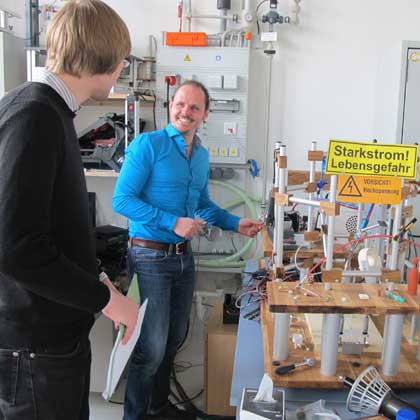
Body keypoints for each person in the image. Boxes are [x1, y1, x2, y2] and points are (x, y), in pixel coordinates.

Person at [0, 1, 139, 419]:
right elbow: (16, 245)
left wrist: (100, 283)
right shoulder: (35, 114)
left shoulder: (46, 110)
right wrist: (102, 299)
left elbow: (50, 227)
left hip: (49, 343)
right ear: (106, 62)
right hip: (35, 349)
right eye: (122, 61)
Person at [113, 80, 262, 420]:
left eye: (194, 107)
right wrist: (172, 222)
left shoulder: (201, 155)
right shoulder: (147, 145)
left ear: (205, 114)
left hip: (183, 259)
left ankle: (158, 408)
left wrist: (233, 223)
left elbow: (203, 205)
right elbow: (121, 200)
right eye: (180, 104)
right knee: (150, 349)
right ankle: (135, 415)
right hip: (149, 255)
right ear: (170, 106)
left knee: (172, 341)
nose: (185, 112)